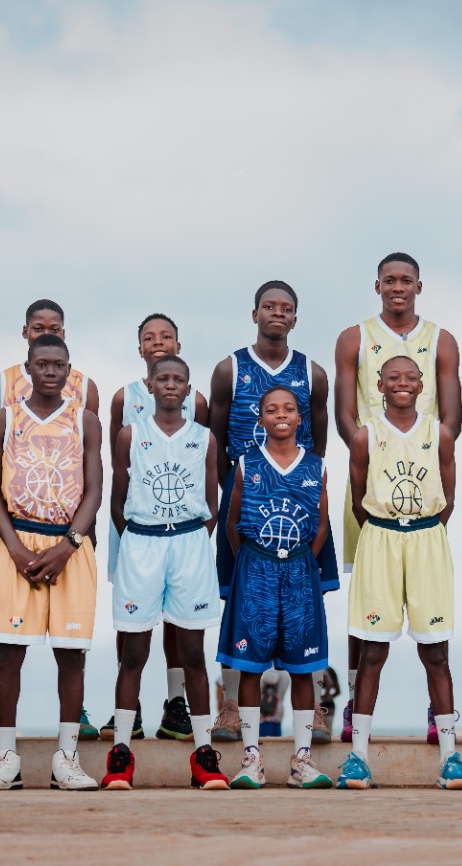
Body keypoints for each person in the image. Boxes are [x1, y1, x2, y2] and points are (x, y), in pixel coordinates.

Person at [0, 334, 103, 792]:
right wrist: (16, 549)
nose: (50, 371)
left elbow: (94, 492)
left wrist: (68, 546)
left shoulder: (86, 421)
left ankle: (67, 760)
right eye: (41, 364)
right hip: (17, 545)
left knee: (71, 657)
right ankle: (7, 760)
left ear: (68, 370)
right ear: (28, 367)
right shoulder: (4, 418)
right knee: (8, 654)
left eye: (58, 365)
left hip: (69, 546)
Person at [333, 253, 461, 743]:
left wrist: (421, 457)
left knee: (431, 615)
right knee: (366, 600)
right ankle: (351, 704)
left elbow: (452, 418)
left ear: (419, 286)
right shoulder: (355, 337)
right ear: (377, 286)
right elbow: (346, 415)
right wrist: (375, 451)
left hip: (423, 481)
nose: (398, 287)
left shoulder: (440, 339)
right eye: (390, 280)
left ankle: (437, 712)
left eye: (406, 280)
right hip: (373, 479)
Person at [336, 354, 462, 791]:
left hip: (427, 541)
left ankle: (451, 758)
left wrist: (423, 530)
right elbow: (360, 498)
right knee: (372, 651)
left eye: (410, 377)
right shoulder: (365, 436)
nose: (401, 383)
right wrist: (388, 527)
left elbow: (447, 495)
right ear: (379, 384)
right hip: (380, 539)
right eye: (393, 377)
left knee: (436, 652)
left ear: (422, 385)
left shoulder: (440, 433)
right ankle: (358, 756)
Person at [206, 281, 333, 742]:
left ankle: (316, 708)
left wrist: (299, 483)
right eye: (268, 307)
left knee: (306, 605)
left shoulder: (312, 373)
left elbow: (318, 435)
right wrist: (234, 492)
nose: (277, 314)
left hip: (297, 503)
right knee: (237, 607)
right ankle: (228, 709)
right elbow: (215, 437)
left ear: (296, 318)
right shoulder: (230, 368)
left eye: (286, 309)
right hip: (246, 502)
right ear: (254, 313)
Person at [100, 355, 228, 790]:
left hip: (190, 543)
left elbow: (211, 504)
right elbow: (118, 501)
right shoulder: (130, 435)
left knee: (193, 653)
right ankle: (120, 752)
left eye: (179, 380)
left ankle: (204, 752)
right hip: (142, 544)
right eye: (163, 379)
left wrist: (188, 538)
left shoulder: (205, 438)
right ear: (149, 386)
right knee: (134, 653)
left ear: (189, 390)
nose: (171, 386)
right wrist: (140, 538)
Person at [216, 386, 333, 790]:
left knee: (303, 668)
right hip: (256, 569)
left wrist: (300, 560)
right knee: (250, 667)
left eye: (289, 409)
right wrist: (253, 561)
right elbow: (232, 523)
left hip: (299, 571)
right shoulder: (247, 464)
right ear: (260, 418)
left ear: (300, 418)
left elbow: (320, 525)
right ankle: (252, 758)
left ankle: (302, 761)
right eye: (271, 409)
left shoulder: (316, 465)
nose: (281, 414)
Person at [100, 314, 205, 746]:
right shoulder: (123, 397)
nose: (158, 342)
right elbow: (117, 466)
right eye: (149, 337)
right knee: (133, 619)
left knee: (180, 619)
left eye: (166, 336)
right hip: (136, 522)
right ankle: (132, 708)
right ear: (139, 347)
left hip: (183, 528)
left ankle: (176, 703)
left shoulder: (196, 400)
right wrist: (130, 530)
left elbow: (200, 468)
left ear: (179, 344)